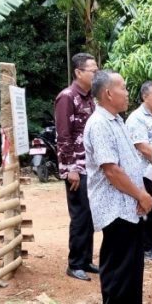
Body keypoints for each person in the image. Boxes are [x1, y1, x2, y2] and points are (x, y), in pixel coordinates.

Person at [82, 70, 152, 304]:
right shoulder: (99, 124)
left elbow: (130, 163)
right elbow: (112, 170)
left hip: (130, 203)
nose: (127, 93)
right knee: (117, 260)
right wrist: (141, 195)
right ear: (108, 93)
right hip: (114, 204)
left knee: (133, 260)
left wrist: (139, 196)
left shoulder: (117, 120)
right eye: (123, 88)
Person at [55, 52, 100, 281]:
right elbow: (63, 136)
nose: (96, 74)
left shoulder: (90, 98)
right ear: (78, 72)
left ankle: (85, 260)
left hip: (90, 166)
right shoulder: (67, 97)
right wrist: (70, 168)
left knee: (90, 214)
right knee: (80, 215)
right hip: (76, 168)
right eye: (93, 70)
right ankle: (74, 264)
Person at [126, 80, 152, 261]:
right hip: (144, 172)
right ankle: (148, 247)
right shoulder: (136, 118)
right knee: (149, 209)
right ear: (145, 97)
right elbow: (143, 147)